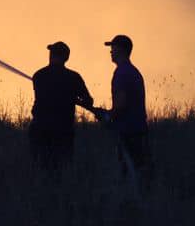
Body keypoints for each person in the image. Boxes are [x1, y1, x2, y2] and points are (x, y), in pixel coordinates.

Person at [29, 41, 95, 174]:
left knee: (40, 168)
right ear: (66, 58)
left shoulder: (38, 75)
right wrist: (74, 98)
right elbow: (88, 101)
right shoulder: (74, 77)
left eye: (52, 53)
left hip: (40, 128)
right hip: (64, 130)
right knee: (62, 169)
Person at [103, 34, 152, 186]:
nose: (111, 51)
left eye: (113, 47)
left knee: (128, 172)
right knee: (138, 171)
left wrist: (108, 115)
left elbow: (121, 103)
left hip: (127, 131)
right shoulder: (133, 71)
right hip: (137, 129)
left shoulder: (122, 73)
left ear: (122, 50)